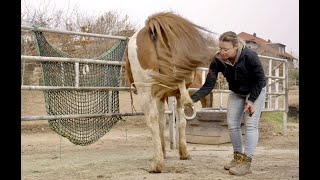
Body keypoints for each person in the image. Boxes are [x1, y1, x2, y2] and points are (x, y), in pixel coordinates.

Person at [190, 31, 267, 176]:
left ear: (236, 46)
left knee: (251, 125)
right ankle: (238, 158)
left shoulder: (249, 56)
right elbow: (209, 85)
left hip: (255, 90)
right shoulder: (217, 60)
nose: (222, 52)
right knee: (232, 125)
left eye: (226, 49)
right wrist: (192, 99)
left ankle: (247, 162)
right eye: (220, 48)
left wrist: (251, 101)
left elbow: (260, 80)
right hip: (237, 91)